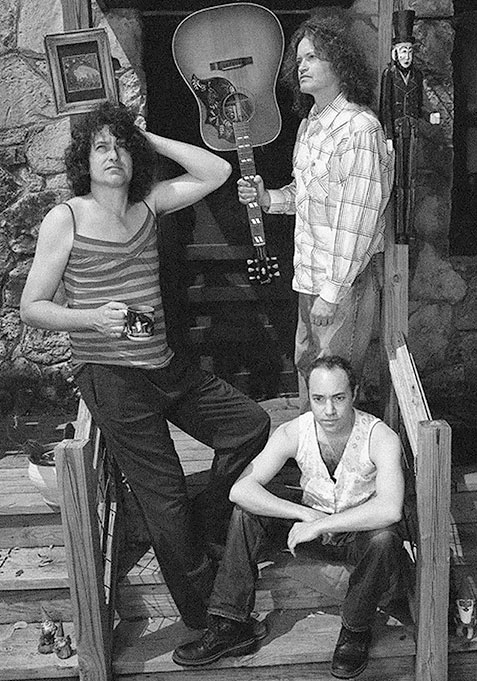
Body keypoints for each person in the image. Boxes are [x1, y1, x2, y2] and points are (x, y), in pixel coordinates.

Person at [20, 102, 270, 631]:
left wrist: (145, 136)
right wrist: (93, 318)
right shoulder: (66, 218)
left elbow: (217, 170)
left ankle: (206, 525)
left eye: (121, 147)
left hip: (163, 364)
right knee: (165, 495)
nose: (112, 155)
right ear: (83, 161)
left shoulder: (149, 204)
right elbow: (32, 307)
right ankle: (208, 616)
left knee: (249, 425)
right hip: (111, 376)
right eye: (100, 147)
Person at [173, 355, 407, 679]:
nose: (328, 410)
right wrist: (304, 515)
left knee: (385, 539)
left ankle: (355, 630)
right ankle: (230, 624)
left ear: (354, 393)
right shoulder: (294, 431)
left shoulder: (380, 437)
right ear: (308, 396)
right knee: (246, 512)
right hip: (310, 524)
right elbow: (241, 490)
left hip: (358, 534)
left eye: (339, 398)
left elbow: (390, 508)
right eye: (319, 399)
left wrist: (322, 524)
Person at [237, 15, 394, 411]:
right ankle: (314, 451)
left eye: (312, 57)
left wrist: (332, 292)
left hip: (340, 284)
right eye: (299, 59)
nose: (301, 66)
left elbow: (358, 220)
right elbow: (307, 196)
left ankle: (340, 453)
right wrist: (268, 198)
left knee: (335, 387)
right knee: (310, 375)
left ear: (339, 63)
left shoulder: (359, 128)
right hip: (308, 278)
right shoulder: (310, 125)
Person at [379, 9, 423, 244]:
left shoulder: (418, 75)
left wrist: (430, 118)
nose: (407, 56)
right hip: (396, 132)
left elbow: (421, 105)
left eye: (410, 51)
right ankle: (399, 230)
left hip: (412, 130)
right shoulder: (390, 74)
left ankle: (409, 228)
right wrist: (387, 136)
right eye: (403, 51)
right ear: (395, 52)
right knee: (398, 181)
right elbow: (385, 106)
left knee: (411, 180)